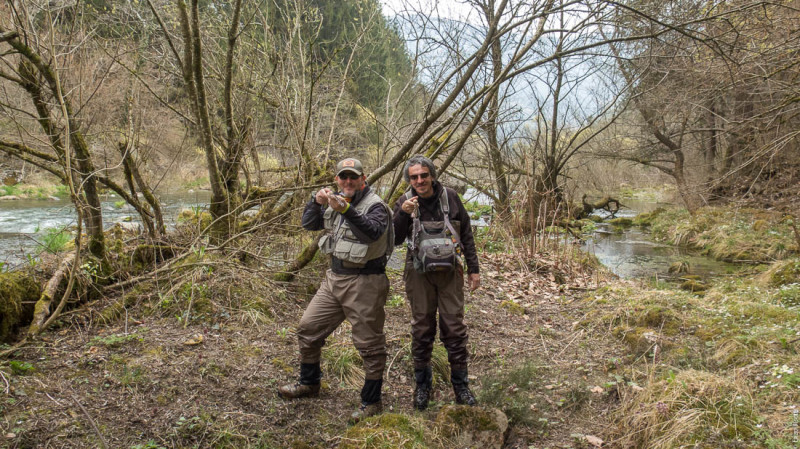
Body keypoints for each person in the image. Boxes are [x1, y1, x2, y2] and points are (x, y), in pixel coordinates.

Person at [278, 157, 393, 423]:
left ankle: (371, 401)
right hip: (334, 279)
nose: (348, 181)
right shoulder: (334, 199)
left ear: (364, 179)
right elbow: (309, 224)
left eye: (354, 177)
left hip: (366, 282)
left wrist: (345, 210)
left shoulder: (376, 206)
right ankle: (309, 383)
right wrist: (315, 203)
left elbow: (372, 233)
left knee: (369, 345)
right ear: (337, 179)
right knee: (308, 328)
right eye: (344, 177)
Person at [392, 155, 481, 411]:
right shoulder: (404, 201)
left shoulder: (450, 197)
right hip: (418, 273)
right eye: (414, 177)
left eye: (424, 175)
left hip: (450, 272)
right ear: (409, 180)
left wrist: (474, 270)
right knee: (422, 328)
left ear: (432, 175)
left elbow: (466, 232)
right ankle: (422, 387)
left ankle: (461, 387)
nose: (420, 180)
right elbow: (396, 239)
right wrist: (402, 213)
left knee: (454, 328)